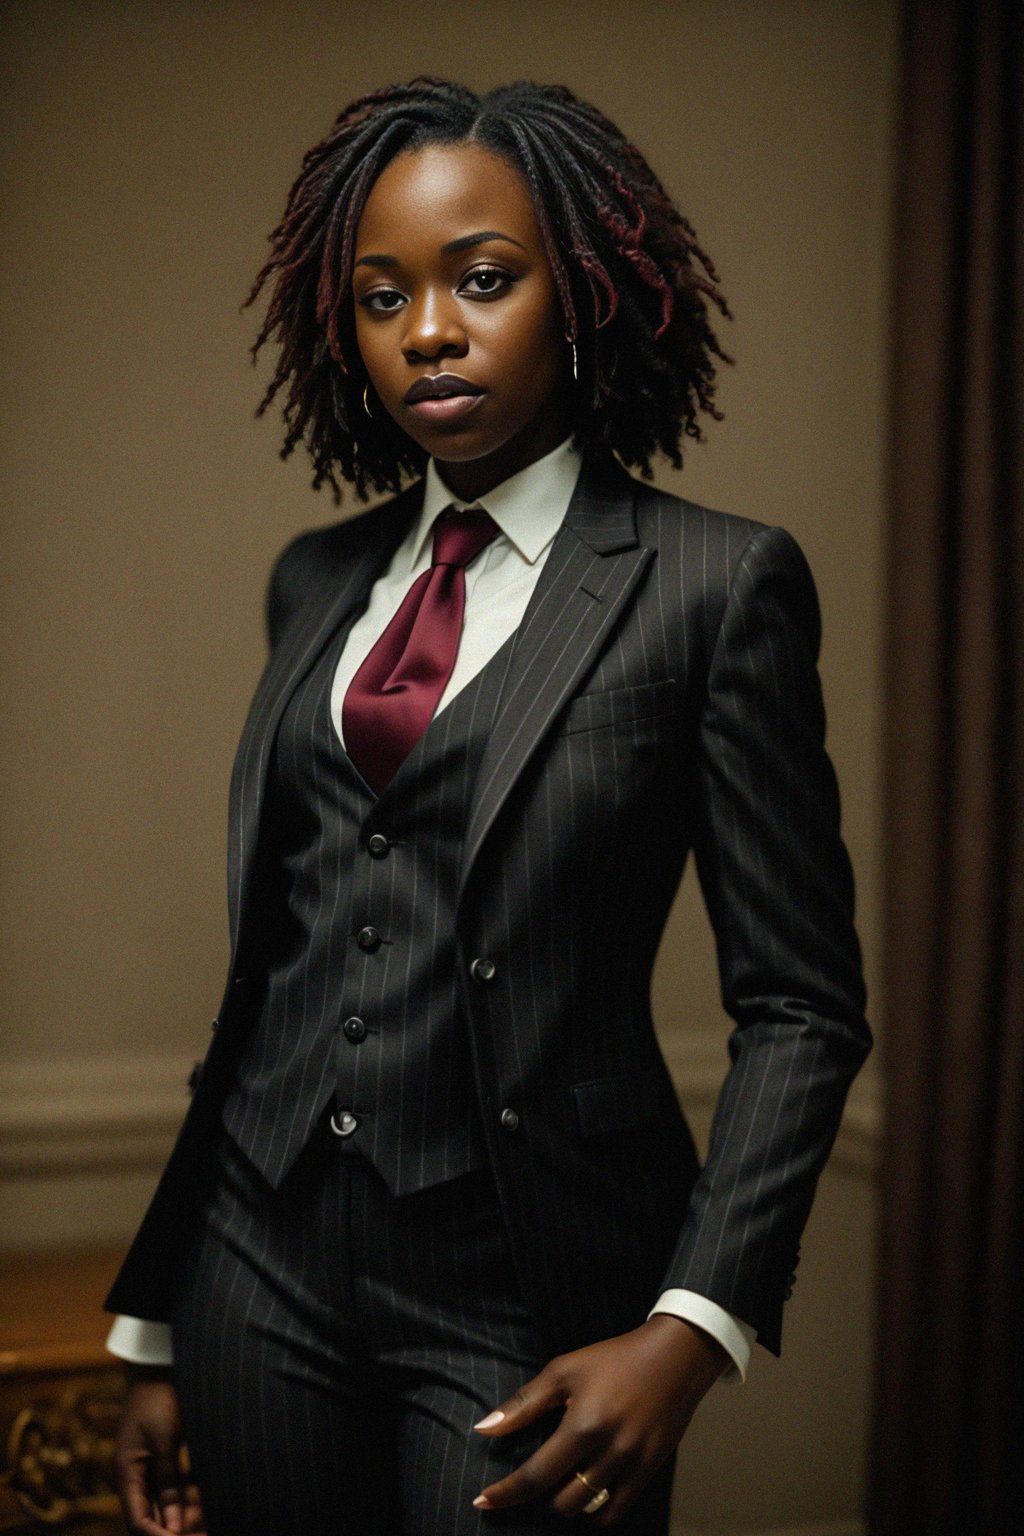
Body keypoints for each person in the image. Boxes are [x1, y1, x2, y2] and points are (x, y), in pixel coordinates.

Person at [104, 77, 871, 1535]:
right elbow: (268, 981)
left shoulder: (715, 587)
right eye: (384, 297)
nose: (430, 332)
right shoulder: (316, 580)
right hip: (254, 1276)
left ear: (580, 294)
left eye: (483, 280)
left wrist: (692, 1326)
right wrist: (156, 1320)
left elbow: (803, 1004)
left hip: (527, 1286)